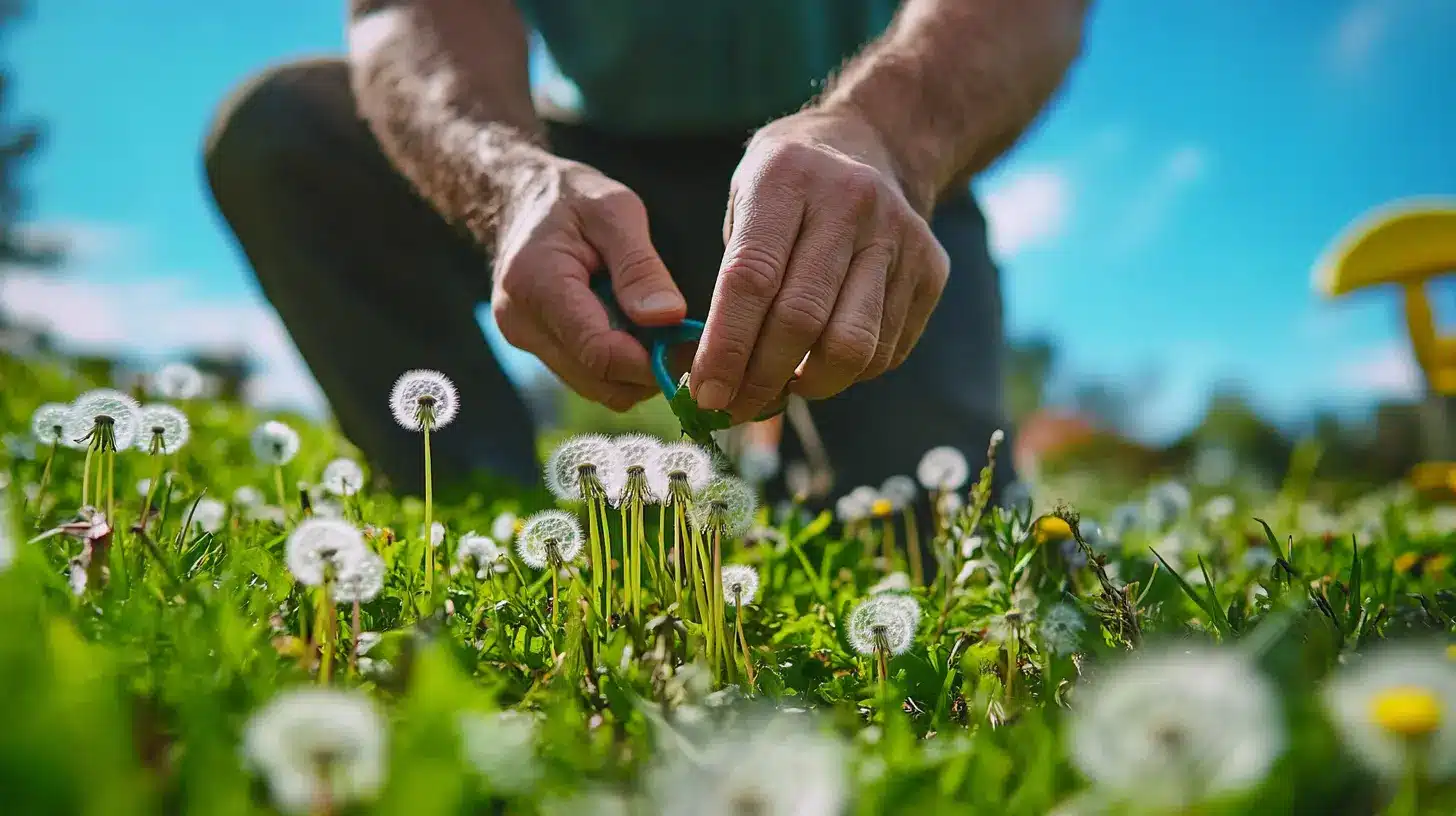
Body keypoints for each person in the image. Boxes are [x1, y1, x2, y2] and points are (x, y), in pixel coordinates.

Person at [204, 0, 1087, 497]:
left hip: (879, 175)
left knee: (927, 525)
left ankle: (783, 482)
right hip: (601, 170)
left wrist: (888, 140)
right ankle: (490, 517)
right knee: (285, 133)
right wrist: (509, 181)